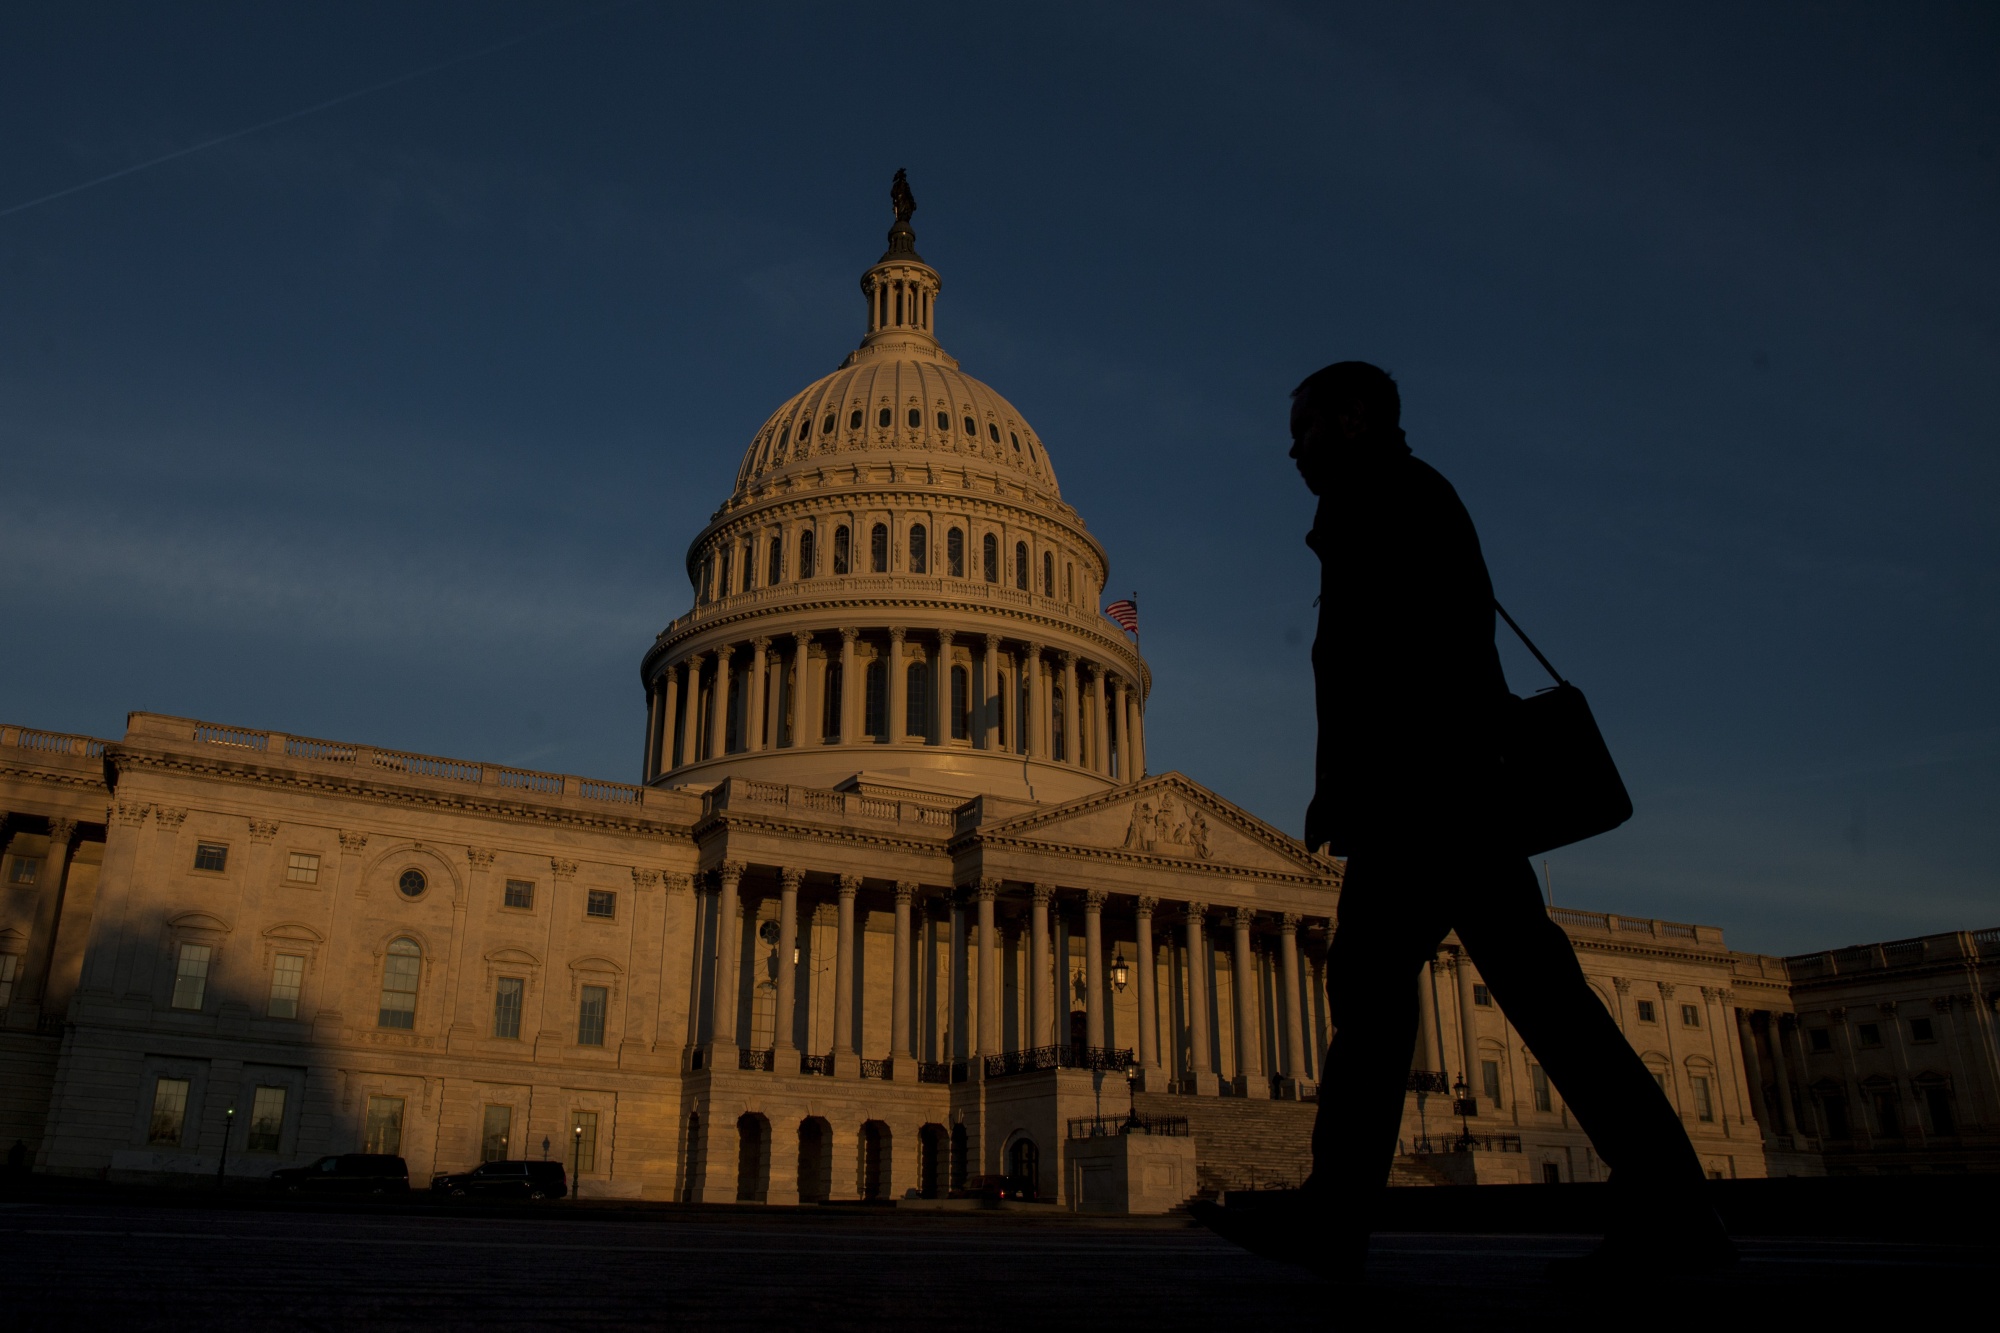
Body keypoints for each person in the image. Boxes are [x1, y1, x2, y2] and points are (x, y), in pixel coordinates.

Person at [1198, 361, 1733, 1281]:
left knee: (1384, 997)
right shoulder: (1396, 498)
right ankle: (1674, 1202)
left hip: (1425, 796)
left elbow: (1412, 663)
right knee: (1526, 998)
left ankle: (1336, 1221)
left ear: (1356, 418)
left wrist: (1370, 783)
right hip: (1439, 794)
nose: (1294, 447)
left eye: (1307, 426)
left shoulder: (1394, 501)